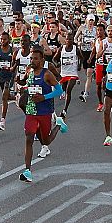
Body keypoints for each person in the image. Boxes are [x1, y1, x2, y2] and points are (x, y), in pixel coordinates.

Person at [17, 49, 67, 182]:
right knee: (29, 138)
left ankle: (58, 124)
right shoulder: (29, 72)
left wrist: (44, 97)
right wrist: (24, 88)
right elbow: (29, 86)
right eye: (31, 58)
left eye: (35, 59)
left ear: (42, 61)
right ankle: (27, 170)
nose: (32, 61)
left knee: (46, 141)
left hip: (44, 111)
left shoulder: (47, 74)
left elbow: (59, 90)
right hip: (31, 111)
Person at [0, 31, 15, 130]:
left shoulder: (13, 50)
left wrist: (12, 68)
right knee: (7, 96)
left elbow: (16, 64)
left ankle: (2, 121)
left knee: (4, 97)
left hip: (10, 76)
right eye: (1, 39)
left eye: (4, 39)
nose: (2, 41)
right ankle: (15, 97)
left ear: (9, 40)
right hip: (1, 76)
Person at [55, 33, 81, 117]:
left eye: (71, 39)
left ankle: (64, 110)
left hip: (73, 73)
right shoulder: (61, 49)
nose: (69, 41)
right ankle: (63, 93)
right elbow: (54, 58)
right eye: (67, 39)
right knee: (64, 89)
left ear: (73, 40)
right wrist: (57, 63)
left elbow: (81, 57)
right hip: (64, 74)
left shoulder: (75, 49)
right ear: (65, 40)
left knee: (68, 90)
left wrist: (79, 65)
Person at [75, 15, 97, 102]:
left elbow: (101, 39)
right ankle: (90, 78)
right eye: (90, 21)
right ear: (87, 21)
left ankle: (85, 93)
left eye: (92, 21)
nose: (91, 22)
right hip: (83, 52)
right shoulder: (82, 28)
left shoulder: (95, 29)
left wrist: (95, 45)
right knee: (86, 72)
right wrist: (79, 42)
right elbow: (75, 38)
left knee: (89, 73)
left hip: (92, 52)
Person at [89, 23, 109, 111]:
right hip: (99, 64)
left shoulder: (108, 40)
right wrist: (90, 59)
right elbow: (94, 51)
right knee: (98, 85)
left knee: (106, 85)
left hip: (107, 65)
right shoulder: (96, 40)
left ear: (104, 31)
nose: (99, 32)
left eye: (101, 30)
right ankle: (100, 103)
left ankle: (109, 100)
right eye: (98, 30)